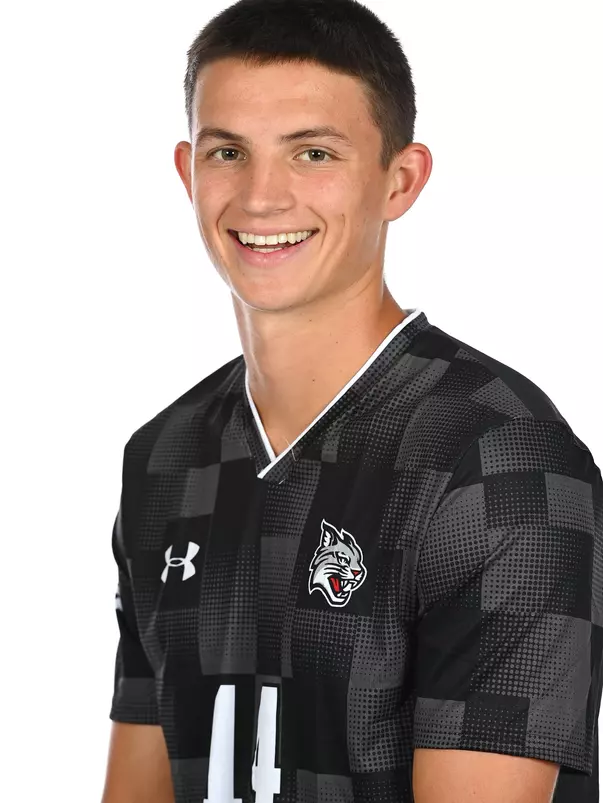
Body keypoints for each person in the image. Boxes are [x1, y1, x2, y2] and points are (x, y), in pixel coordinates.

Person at [101, 1, 603, 801]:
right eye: (228, 150)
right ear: (187, 171)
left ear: (399, 179)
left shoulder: (498, 457)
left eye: (312, 153)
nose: (262, 197)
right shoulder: (163, 455)